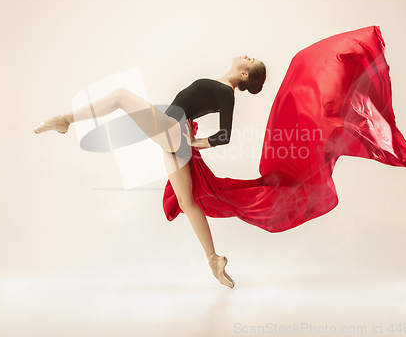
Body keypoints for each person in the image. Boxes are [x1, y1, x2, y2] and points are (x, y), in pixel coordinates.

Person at [34, 55, 267, 288]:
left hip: (174, 130)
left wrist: (196, 142)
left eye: (251, 60)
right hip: (174, 133)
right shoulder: (222, 87)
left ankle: (64, 120)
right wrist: (192, 141)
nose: (247, 56)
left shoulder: (226, 92)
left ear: (245, 74)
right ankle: (213, 259)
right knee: (187, 202)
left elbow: (224, 135)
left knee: (120, 96)